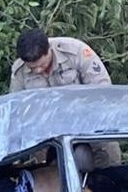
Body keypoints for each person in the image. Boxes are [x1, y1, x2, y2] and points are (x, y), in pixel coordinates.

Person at [9, 28, 120, 167]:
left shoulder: (75, 52)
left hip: (91, 126)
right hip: (49, 137)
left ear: (49, 49)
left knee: (109, 168)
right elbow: (17, 110)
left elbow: (103, 92)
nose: (38, 71)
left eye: (42, 65)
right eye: (32, 69)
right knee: (52, 179)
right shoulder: (19, 71)